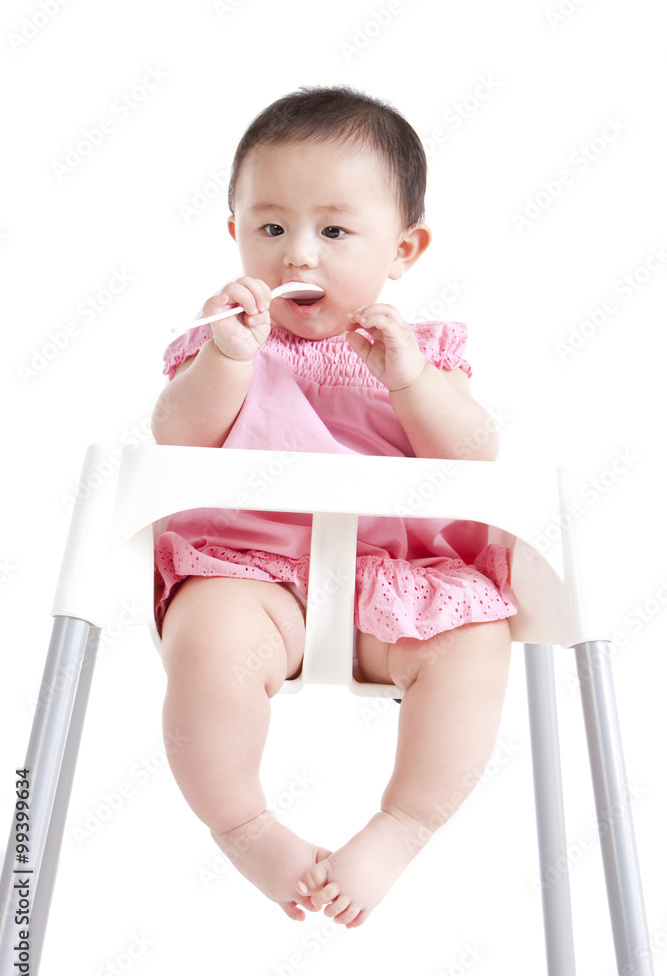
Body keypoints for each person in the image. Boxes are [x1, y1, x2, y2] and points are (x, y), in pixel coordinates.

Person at [151, 85, 516, 929]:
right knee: (208, 641)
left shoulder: (423, 354)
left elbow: (473, 457)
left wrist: (411, 383)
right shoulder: (222, 342)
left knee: (475, 640)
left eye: (335, 231)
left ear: (404, 249)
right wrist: (227, 361)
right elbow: (176, 436)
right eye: (271, 228)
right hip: (251, 572)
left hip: (398, 584)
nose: (299, 257)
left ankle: (401, 826)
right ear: (235, 232)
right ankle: (242, 825)